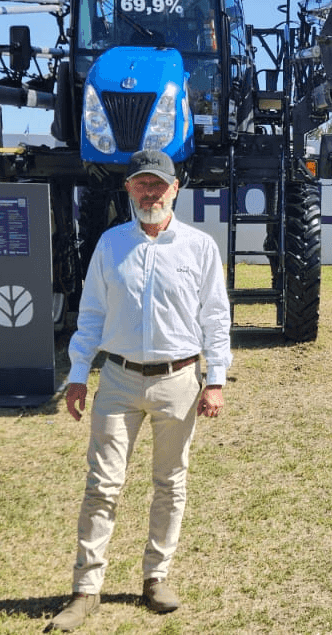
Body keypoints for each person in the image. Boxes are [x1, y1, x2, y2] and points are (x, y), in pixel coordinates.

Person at [48, 149, 231, 632]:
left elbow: (215, 318)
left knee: (170, 484)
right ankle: (86, 590)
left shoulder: (199, 247)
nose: (149, 193)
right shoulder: (110, 245)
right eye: (140, 185)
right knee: (102, 486)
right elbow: (90, 316)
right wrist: (76, 374)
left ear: (175, 189)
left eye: (158, 185)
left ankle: (157, 578)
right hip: (119, 380)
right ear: (129, 190)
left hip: (180, 381)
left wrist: (215, 380)